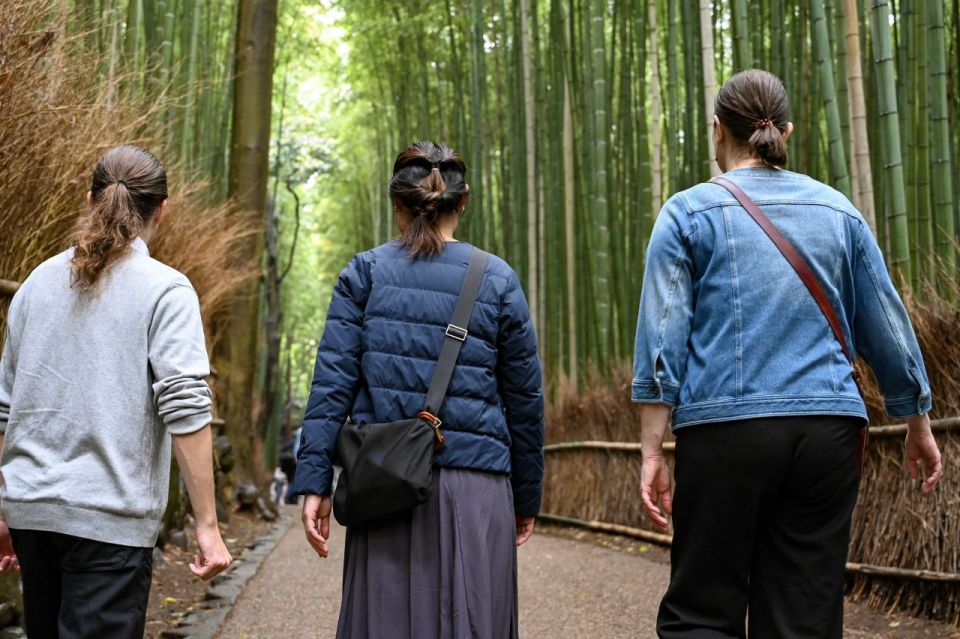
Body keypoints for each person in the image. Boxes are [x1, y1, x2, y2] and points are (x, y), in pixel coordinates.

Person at [632, 70, 942, 638]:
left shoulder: (688, 212)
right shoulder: (839, 211)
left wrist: (652, 450)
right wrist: (917, 420)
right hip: (826, 433)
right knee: (803, 614)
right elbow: (888, 327)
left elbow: (662, 339)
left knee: (703, 610)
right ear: (786, 132)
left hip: (726, 430)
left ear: (718, 130)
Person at [295, 141, 544, 639]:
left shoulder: (364, 273)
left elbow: (332, 385)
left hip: (385, 484)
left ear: (396, 203)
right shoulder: (496, 279)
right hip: (477, 488)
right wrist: (526, 496)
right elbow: (525, 401)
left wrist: (314, 481)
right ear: (463, 202)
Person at [0, 145, 232, 637]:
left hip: (30, 514)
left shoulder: (36, 284)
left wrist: (4, 506)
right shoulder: (166, 289)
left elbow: (6, 408)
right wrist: (207, 526)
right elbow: (187, 411)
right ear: (161, 211)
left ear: (90, 200)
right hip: (109, 520)